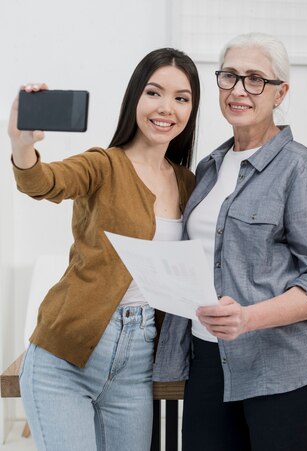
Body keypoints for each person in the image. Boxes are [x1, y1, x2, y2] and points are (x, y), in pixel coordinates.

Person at [152, 32, 307, 451]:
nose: (239, 89)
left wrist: (248, 318)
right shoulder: (208, 168)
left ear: (281, 92)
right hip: (209, 360)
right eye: (230, 77)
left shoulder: (301, 169)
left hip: (284, 364)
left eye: (255, 79)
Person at [10, 48, 199, 451]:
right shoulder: (104, 165)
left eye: (181, 98)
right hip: (64, 358)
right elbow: (42, 182)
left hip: (136, 366)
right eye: (154, 93)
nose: (166, 108)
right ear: (135, 99)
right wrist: (21, 143)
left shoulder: (188, 183)